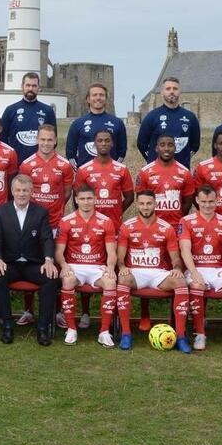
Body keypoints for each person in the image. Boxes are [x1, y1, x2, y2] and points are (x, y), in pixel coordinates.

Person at [73, 128, 136, 329]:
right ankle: (84, 312)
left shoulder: (121, 169)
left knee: (113, 269)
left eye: (107, 140)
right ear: (94, 144)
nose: (103, 144)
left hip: (113, 227)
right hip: (88, 230)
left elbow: (129, 196)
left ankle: (115, 312)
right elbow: (77, 199)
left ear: (112, 144)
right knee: (87, 266)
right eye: (99, 140)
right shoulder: (84, 170)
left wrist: (116, 212)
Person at [116, 190, 192, 353]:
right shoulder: (127, 226)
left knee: (180, 281)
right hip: (136, 273)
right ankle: (126, 334)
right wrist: (122, 267)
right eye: (142, 203)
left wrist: (177, 268)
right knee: (122, 279)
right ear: (137, 204)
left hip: (159, 273)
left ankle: (180, 336)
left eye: (149, 203)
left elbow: (175, 258)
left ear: (155, 204)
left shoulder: (167, 228)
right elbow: (120, 258)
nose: (145, 207)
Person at [0, 175, 58, 346]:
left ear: (31, 192)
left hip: (33, 264)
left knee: (50, 278)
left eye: (25, 190)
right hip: (9, 263)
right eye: (18, 190)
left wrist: (49, 260)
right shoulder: (1, 211)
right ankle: (7, 325)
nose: (21, 194)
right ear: (12, 192)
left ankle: (43, 328)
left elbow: (47, 239)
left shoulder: (41, 212)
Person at [17, 123, 73, 325]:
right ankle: (29, 310)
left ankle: (57, 311)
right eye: (43, 139)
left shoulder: (65, 165)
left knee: (55, 267)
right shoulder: (27, 164)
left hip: (56, 223)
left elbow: (66, 192)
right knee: (31, 262)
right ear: (37, 140)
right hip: (31, 225)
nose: (46, 143)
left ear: (56, 140)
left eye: (50, 140)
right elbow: (22, 192)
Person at [179, 186, 222, 351]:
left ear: (217, 201)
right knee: (196, 285)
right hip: (196, 267)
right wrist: (194, 272)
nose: (207, 205)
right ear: (197, 201)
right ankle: (200, 333)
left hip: (217, 269)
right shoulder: (186, 221)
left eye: (210, 201)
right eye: (203, 202)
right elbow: (185, 249)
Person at [55, 184, 118, 347]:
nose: (86, 202)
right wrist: (63, 265)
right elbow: (59, 251)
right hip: (75, 267)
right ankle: (71, 329)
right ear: (76, 200)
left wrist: (110, 267)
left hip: (98, 267)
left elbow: (112, 251)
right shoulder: (66, 221)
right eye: (82, 199)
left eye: (89, 198)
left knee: (110, 282)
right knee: (67, 281)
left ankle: (104, 332)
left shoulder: (106, 221)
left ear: (95, 199)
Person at [137, 77, 200, 169]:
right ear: (162, 92)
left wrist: (183, 158)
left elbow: (195, 146)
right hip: (156, 172)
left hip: (181, 171)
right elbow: (141, 144)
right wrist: (153, 159)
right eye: (168, 89)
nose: (172, 91)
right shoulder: (152, 116)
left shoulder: (190, 117)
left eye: (175, 88)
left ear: (179, 92)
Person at [135, 134, 196, 231]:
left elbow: (187, 202)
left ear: (175, 148)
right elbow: (141, 200)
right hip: (152, 227)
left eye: (170, 145)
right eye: (162, 145)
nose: (166, 148)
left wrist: (177, 217)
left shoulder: (185, 172)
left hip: (175, 227)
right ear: (156, 148)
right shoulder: (145, 172)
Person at [0, 72, 57, 163]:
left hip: (41, 165)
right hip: (17, 165)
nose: (31, 89)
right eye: (28, 85)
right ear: (22, 86)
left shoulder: (48, 111)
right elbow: (2, 139)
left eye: (34, 86)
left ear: (39, 88)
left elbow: (54, 140)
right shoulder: (10, 110)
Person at [65, 82, 127, 166]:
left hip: (109, 175)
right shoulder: (78, 124)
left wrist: (114, 168)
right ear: (88, 99)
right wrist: (80, 170)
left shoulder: (117, 123)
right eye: (94, 95)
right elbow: (70, 152)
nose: (98, 98)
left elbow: (122, 151)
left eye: (101, 95)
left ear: (105, 98)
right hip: (86, 176)